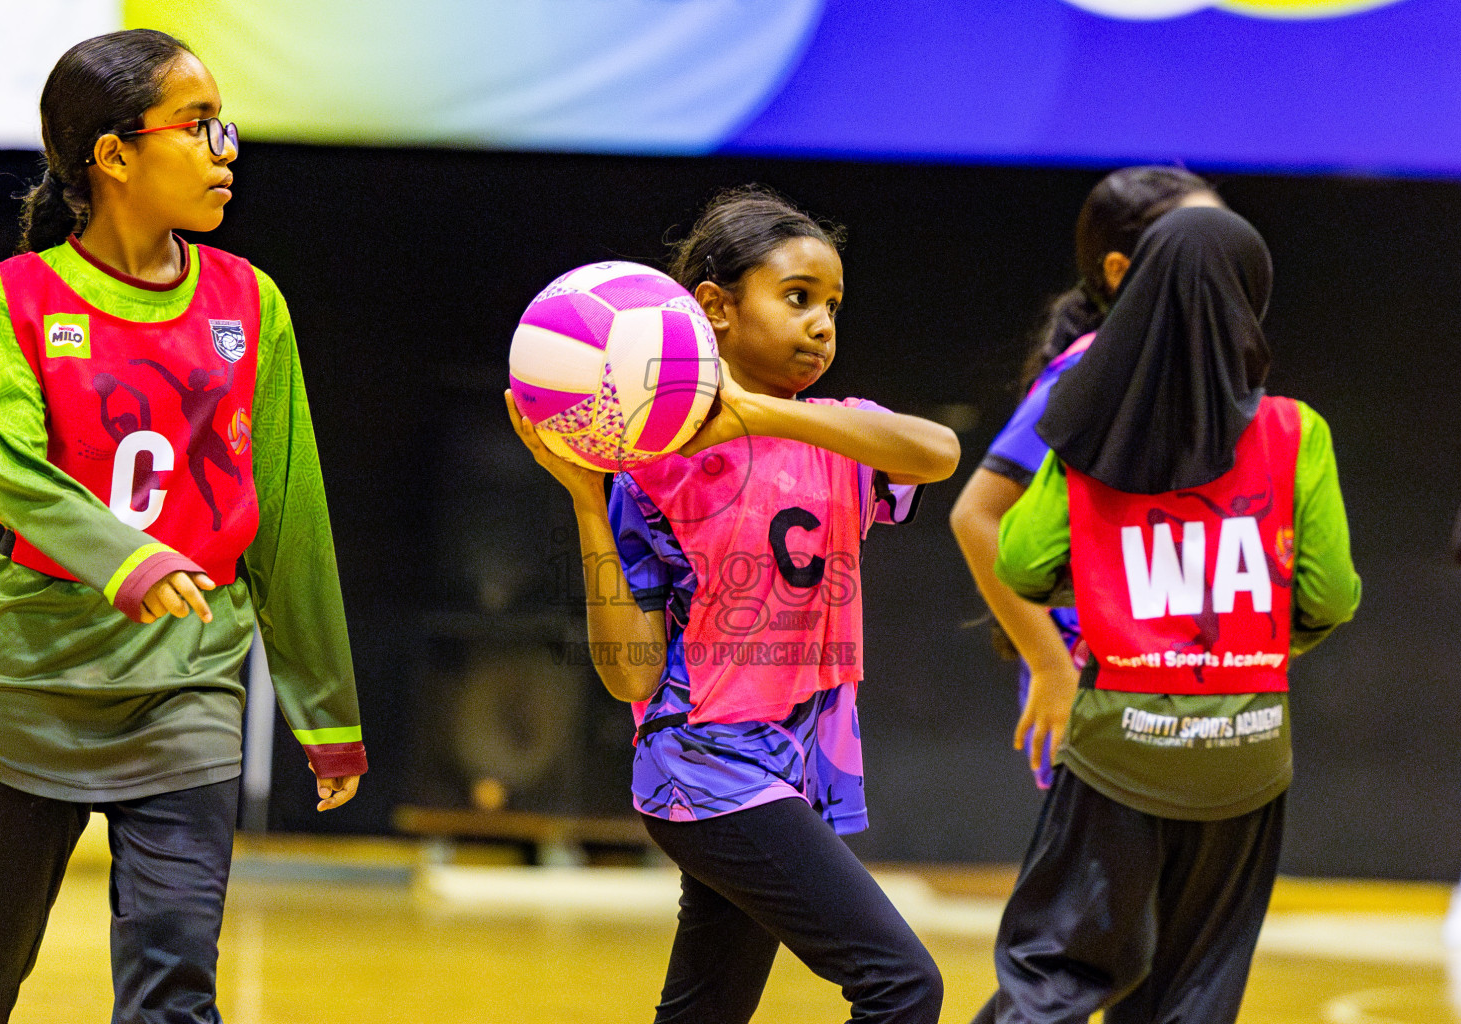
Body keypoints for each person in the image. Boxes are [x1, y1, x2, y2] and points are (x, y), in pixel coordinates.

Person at [0, 30, 366, 1024]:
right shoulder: (25, 297)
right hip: (27, 688)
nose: (227, 147)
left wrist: (327, 711)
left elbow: (291, 515)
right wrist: (126, 558)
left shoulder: (251, 304)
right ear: (113, 153)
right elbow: (13, 473)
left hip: (188, 687)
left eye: (228, 123)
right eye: (199, 123)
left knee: (175, 992)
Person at [507, 185, 959, 1023]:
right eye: (797, 299)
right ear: (714, 308)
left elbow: (938, 452)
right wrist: (583, 499)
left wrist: (756, 414)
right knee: (903, 987)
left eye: (833, 304)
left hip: (791, 768)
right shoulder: (650, 470)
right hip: (707, 767)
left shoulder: (842, 432)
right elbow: (630, 678)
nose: (822, 322)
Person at [971, 205, 1360, 1024]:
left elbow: (1022, 563)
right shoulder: (1296, 431)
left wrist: (1111, 594)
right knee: (1193, 992)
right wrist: (1251, 644)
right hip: (1247, 750)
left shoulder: (1089, 418)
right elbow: (1329, 596)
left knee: (1055, 974)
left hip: (1118, 744)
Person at [949, 166, 1221, 788]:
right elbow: (975, 515)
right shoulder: (1088, 375)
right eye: (1190, 242)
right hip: (1094, 692)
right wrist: (1051, 668)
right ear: (1122, 271)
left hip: (1176, 689)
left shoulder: (1197, 377)